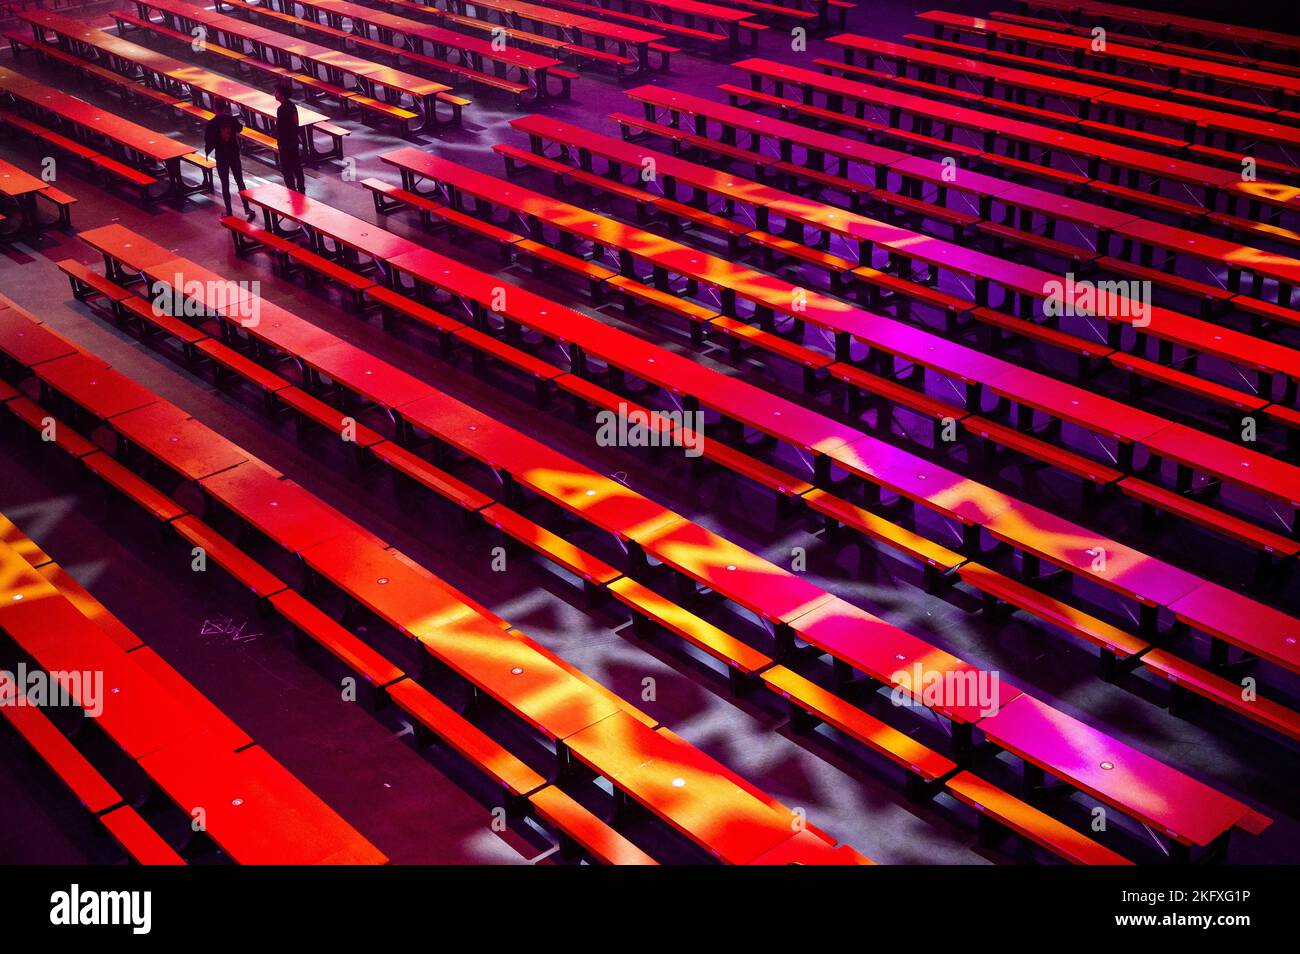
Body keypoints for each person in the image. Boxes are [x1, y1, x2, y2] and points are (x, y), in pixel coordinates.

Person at [204, 100, 253, 218]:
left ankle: (229, 211)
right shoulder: (231, 119)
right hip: (233, 153)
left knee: (225, 184)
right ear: (225, 107)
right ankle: (247, 208)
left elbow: (208, 140)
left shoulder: (211, 123)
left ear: (214, 107)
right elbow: (240, 128)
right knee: (240, 181)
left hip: (221, 156)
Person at [275, 82, 305, 194]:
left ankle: (292, 190)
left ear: (281, 94)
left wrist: (280, 144)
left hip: (286, 143)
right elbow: (295, 123)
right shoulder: (292, 106)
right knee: (297, 166)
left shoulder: (281, 109)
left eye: (277, 92)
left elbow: (281, 128)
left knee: (287, 169)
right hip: (294, 140)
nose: (275, 94)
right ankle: (301, 189)